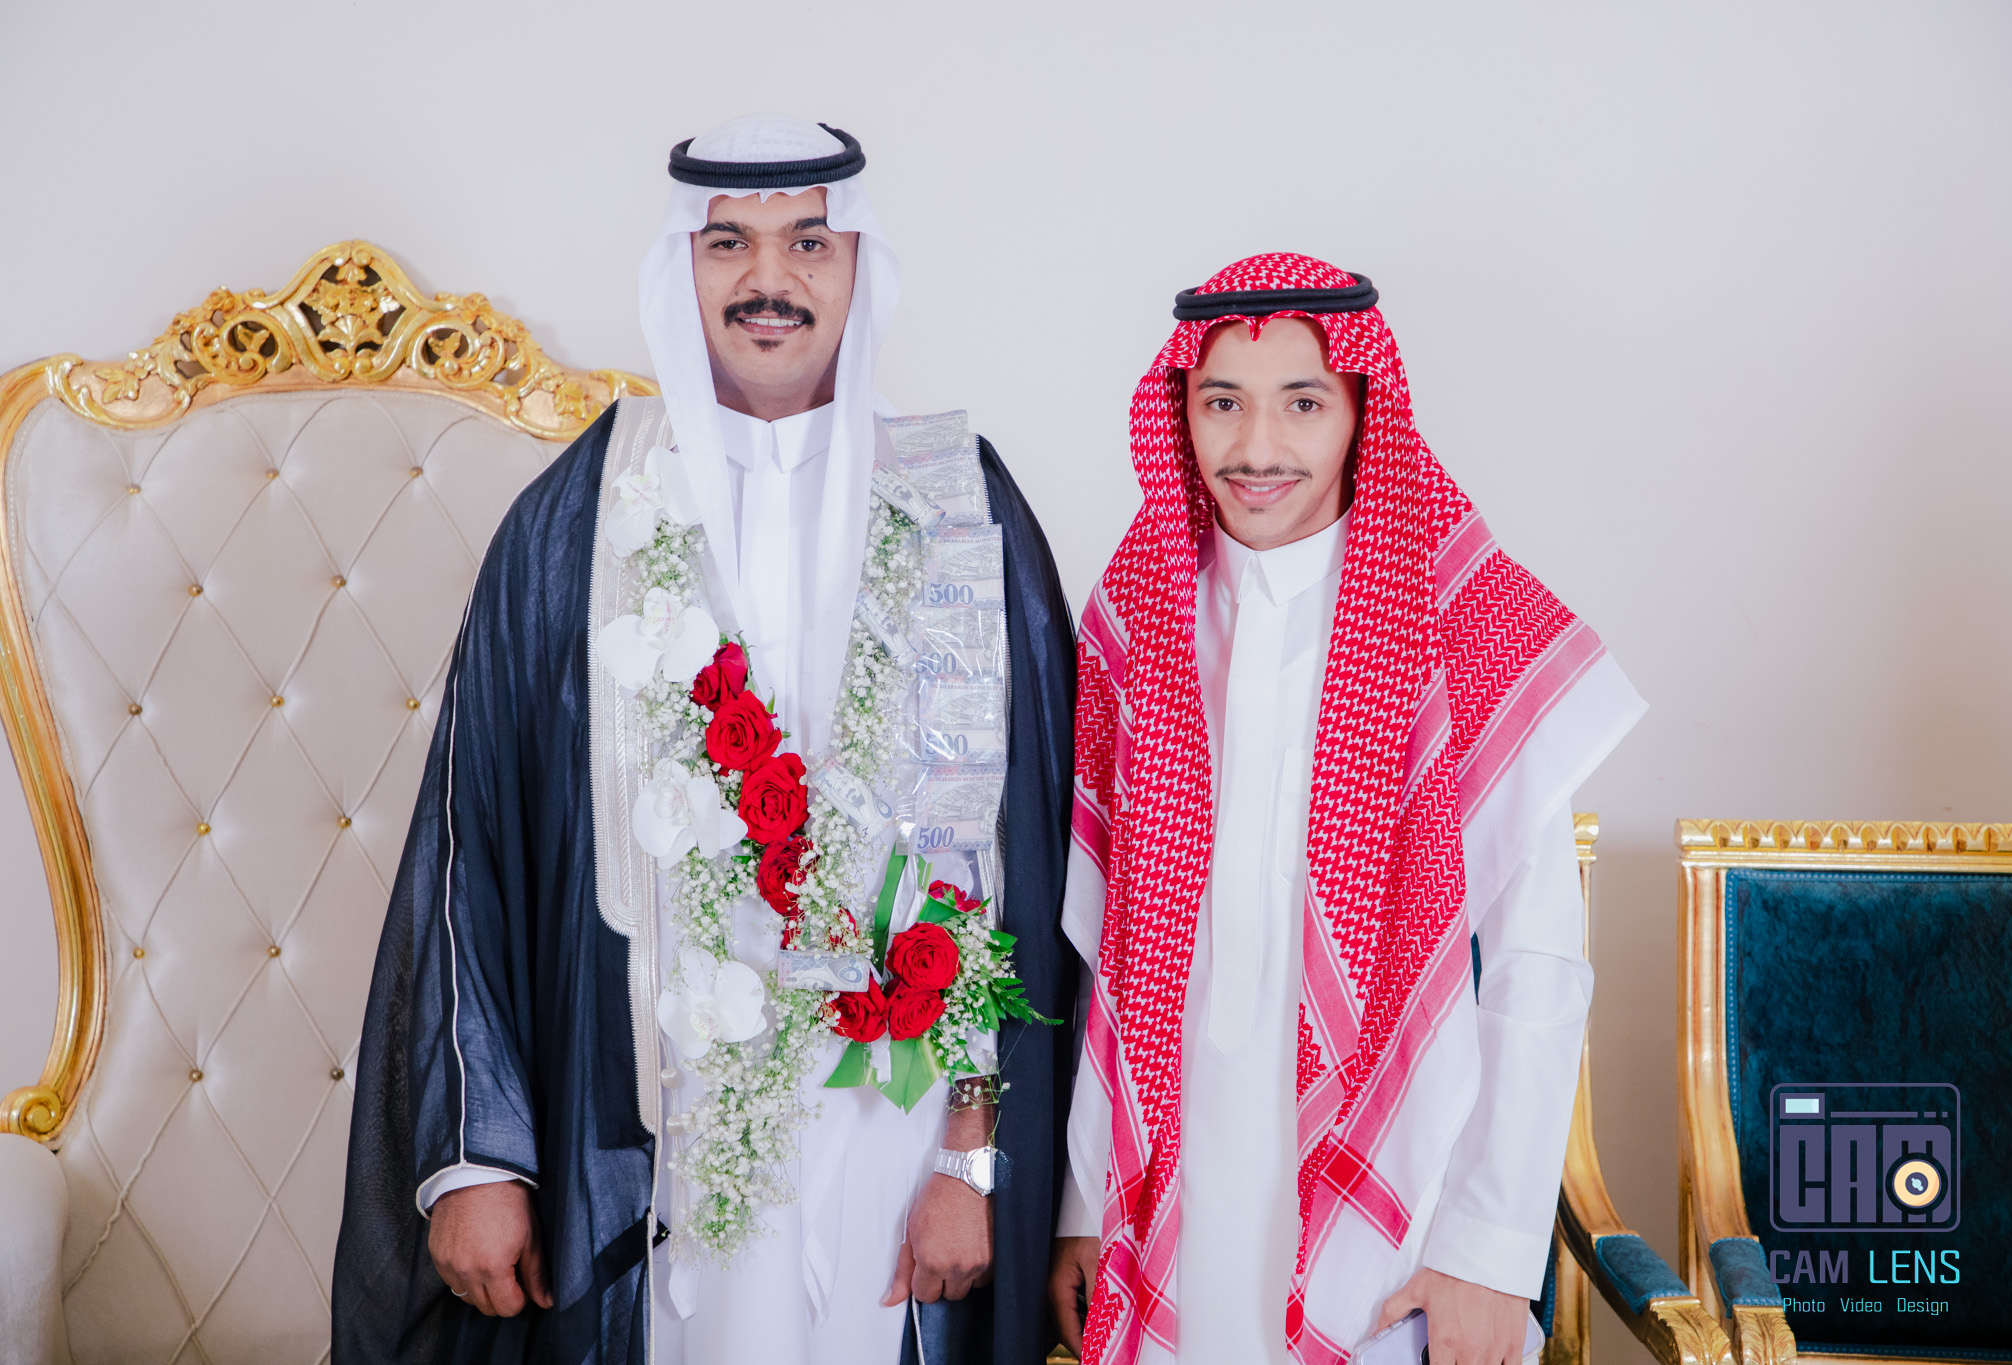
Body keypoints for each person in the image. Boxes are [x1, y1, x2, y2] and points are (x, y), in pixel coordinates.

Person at [334, 114, 1079, 1365]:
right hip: (651, 1141)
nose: (767, 279)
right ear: (680, 267)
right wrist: (477, 1157)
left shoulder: (960, 504)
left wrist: (972, 1158)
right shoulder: (578, 519)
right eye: (727, 242)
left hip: (898, 1148)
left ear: (859, 267)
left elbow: (1025, 867)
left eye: (808, 243)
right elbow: (470, 845)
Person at [1045, 254, 1645, 1365]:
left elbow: (1536, 965)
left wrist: (1489, 1253)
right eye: (1222, 403)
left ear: (1364, 411)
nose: (1257, 447)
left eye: (1303, 403)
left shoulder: (1463, 619)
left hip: (1403, 1217)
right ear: (1180, 412)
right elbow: (1105, 948)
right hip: (1173, 1196)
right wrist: (1085, 1199)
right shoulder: (1138, 610)